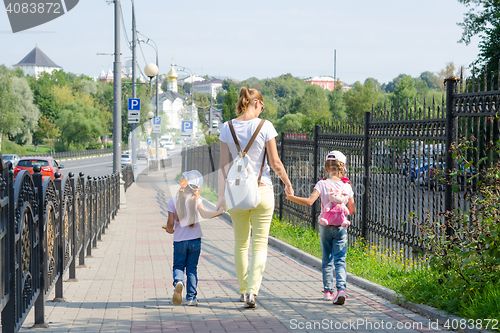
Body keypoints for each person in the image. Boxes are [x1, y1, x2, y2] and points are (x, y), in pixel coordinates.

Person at [216, 87, 294, 308]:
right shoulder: (265, 126)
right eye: (262, 105)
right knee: (259, 244)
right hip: (262, 190)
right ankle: (252, 291)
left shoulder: (226, 127)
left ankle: (242, 290)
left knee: (240, 244)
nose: (262, 109)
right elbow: (276, 163)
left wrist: (221, 195)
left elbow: (223, 165)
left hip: (237, 192)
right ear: (256, 103)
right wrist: (287, 184)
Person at [286, 151, 355, 305]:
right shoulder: (347, 186)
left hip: (325, 225)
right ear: (343, 168)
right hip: (341, 227)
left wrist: (291, 197)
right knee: (340, 260)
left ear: (325, 168)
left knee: (327, 259)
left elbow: (310, 202)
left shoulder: (322, 184)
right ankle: (341, 290)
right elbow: (352, 210)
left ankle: (328, 291)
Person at [166, 170, 223, 306]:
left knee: (179, 266)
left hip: (179, 241)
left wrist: (169, 230)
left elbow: (170, 224)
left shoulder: (173, 201)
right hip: (195, 241)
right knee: (192, 268)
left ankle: (179, 281)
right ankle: (191, 298)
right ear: (196, 188)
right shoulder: (197, 199)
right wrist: (219, 212)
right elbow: (204, 214)